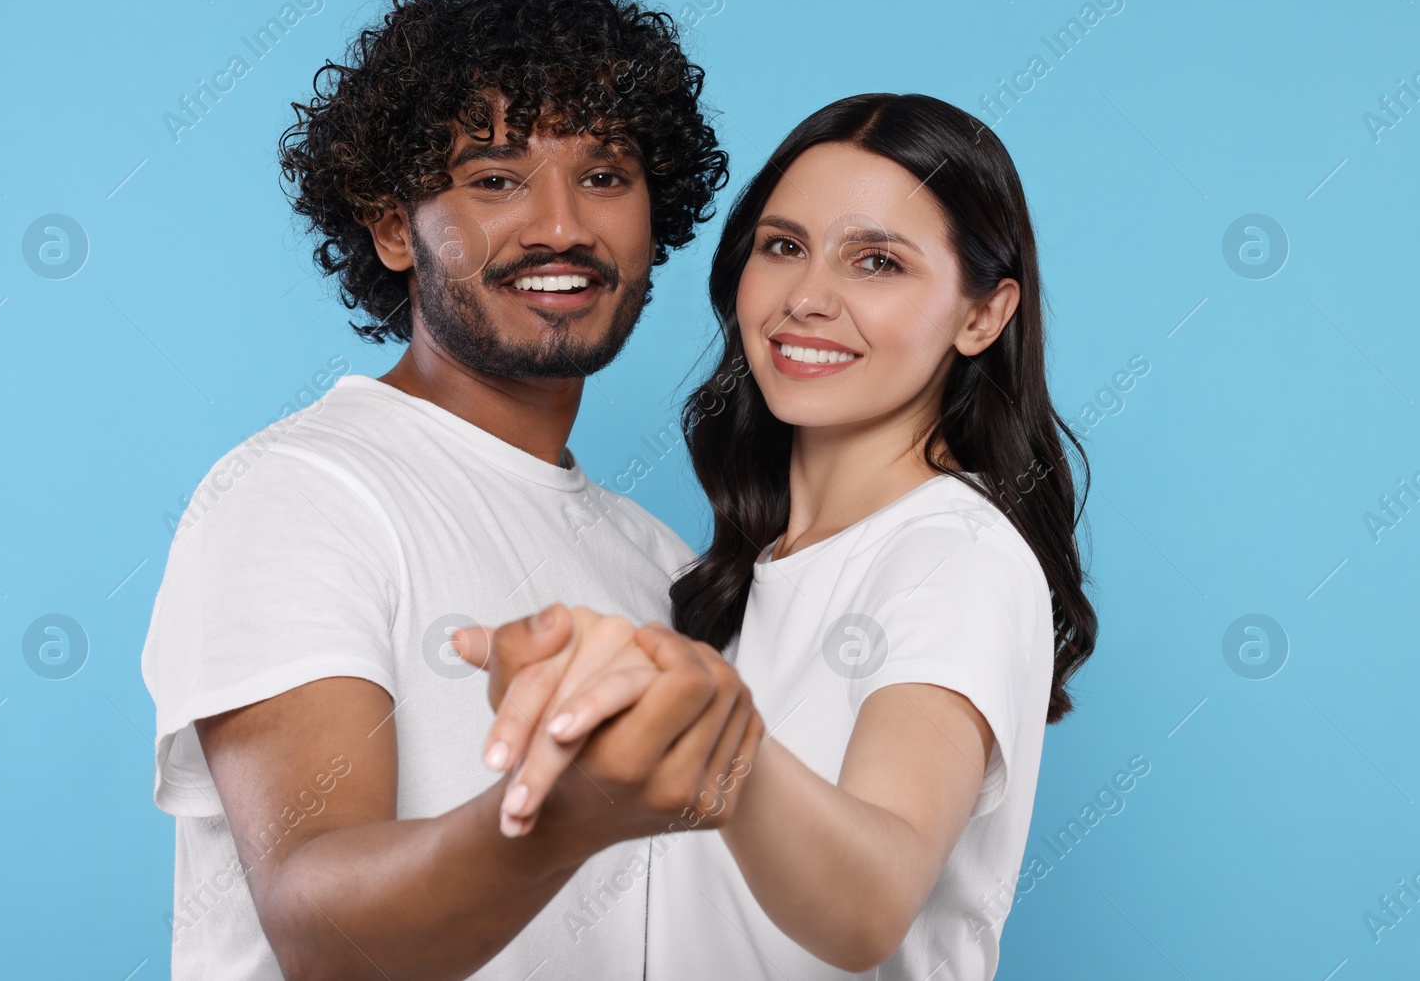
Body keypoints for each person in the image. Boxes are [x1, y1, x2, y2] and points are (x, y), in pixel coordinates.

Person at [140, 0, 764, 981]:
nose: (561, 224)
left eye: (604, 175)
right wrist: (560, 815)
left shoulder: (662, 564)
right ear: (395, 227)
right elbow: (317, 924)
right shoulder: (296, 493)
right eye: (495, 177)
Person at [463, 93, 1099, 979]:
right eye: (784, 246)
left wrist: (722, 738)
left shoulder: (954, 553)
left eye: (876, 261)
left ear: (982, 315)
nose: (808, 297)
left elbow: (869, 902)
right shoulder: (737, 578)